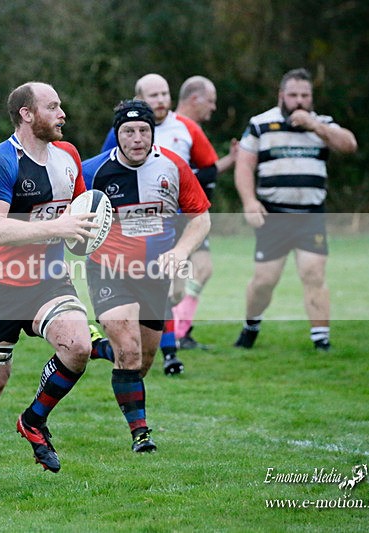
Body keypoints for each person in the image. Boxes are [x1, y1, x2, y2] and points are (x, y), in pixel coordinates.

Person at [0, 81, 97, 488]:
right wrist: (58, 225)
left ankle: (32, 420)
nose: (62, 113)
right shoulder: (0, 161)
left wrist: (86, 235)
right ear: (27, 114)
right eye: (53, 106)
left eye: (60, 104)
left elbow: (78, 224)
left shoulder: (68, 156)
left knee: (79, 347)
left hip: (47, 280)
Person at [84, 100, 211, 453]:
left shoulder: (173, 166)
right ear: (117, 135)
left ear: (152, 133)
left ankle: (98, 347)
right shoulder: (93, 171)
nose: (137, 138)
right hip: (108, 269)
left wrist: (181, 251)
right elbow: (61, 205)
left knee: (142, 360)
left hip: (155, 274)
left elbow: (200, 218)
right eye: (128, 131)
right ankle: (141, 434)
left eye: (143, 130)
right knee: (128, 349)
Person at [98, 73, 219, 374]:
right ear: (139, 98)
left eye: (165, 93)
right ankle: (169, 351)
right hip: (141, 226)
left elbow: (210, 169)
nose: (162, 100)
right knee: (158, 289)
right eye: (154, 95)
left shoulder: (186, 128)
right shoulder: (122, 132)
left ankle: (165, 340)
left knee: (181, 286)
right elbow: (104, 174)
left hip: (181, 220)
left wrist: (178, 185)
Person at [233, 68, 357, 351]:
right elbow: (244, 165)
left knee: (313, 273)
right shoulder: (261, 124)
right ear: (281, 96)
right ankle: (251, 326)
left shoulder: (323, 124)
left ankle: (321, 339)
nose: (299, 101)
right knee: (265, 281)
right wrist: (250, 202)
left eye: (305, 95)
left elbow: (349, 145)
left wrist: (315, 127)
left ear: (311, 98)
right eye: (293, 95)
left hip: (310, 215)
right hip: (272, 215)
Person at [169, 75, 240, 351]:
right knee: (177, 279)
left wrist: (229, 161)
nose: (213, 108)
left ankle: (179, 330)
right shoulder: (181, 127)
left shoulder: (186, 129)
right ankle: (173, 332)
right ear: (195, 99)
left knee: (201, 269)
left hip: (190, 215)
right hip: (175, 216)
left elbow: (200, 174)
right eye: (210, 101)